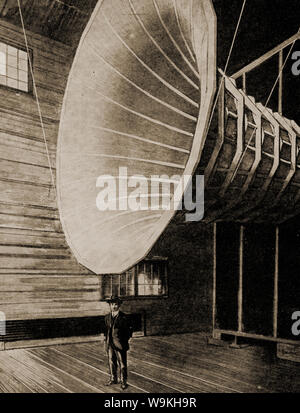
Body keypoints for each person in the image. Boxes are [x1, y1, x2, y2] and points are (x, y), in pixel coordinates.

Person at [104, 295, 133, 390]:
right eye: (112, 304)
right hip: (110, 344)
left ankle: (123, 381)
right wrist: (107, 340)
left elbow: (129, 331)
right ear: (110, 305)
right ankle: (113, 379)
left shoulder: (124, 317)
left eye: (116, 304)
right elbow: (106, 330)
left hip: (120, 344)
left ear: (119, 305)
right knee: (111, 361)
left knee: (122, 364)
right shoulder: (107, 317)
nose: (114, 306)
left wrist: (124, 340)